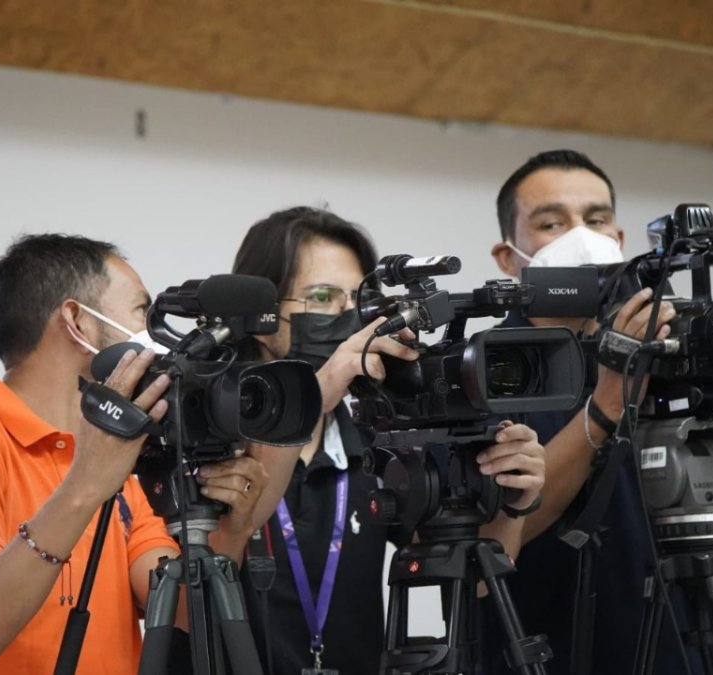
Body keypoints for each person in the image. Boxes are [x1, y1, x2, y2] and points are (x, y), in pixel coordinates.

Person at [0, 233, 267, 674]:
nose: (154, 336)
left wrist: (231, 532)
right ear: (77, 321)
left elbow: (182, 614)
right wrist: (84, 487)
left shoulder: (112, 450)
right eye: (142, 312)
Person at [482, 149, 713, 675]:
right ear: (508, 258)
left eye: (596, 219)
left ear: (619, 239)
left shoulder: (662, 348)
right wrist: (607, 403)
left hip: (680, 652)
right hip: (546, 654)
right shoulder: (488, 370)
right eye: (552, 223)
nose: (582, 236)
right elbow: (490, 545)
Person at [226, 206, 549, 674]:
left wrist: (514, 501)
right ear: (261, 315)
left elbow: (473, 580)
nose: (345, 316)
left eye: (355, 300)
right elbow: (210, 559)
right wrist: (317, 391)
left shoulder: (374, 432)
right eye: (321, 297)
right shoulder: (216, 430)